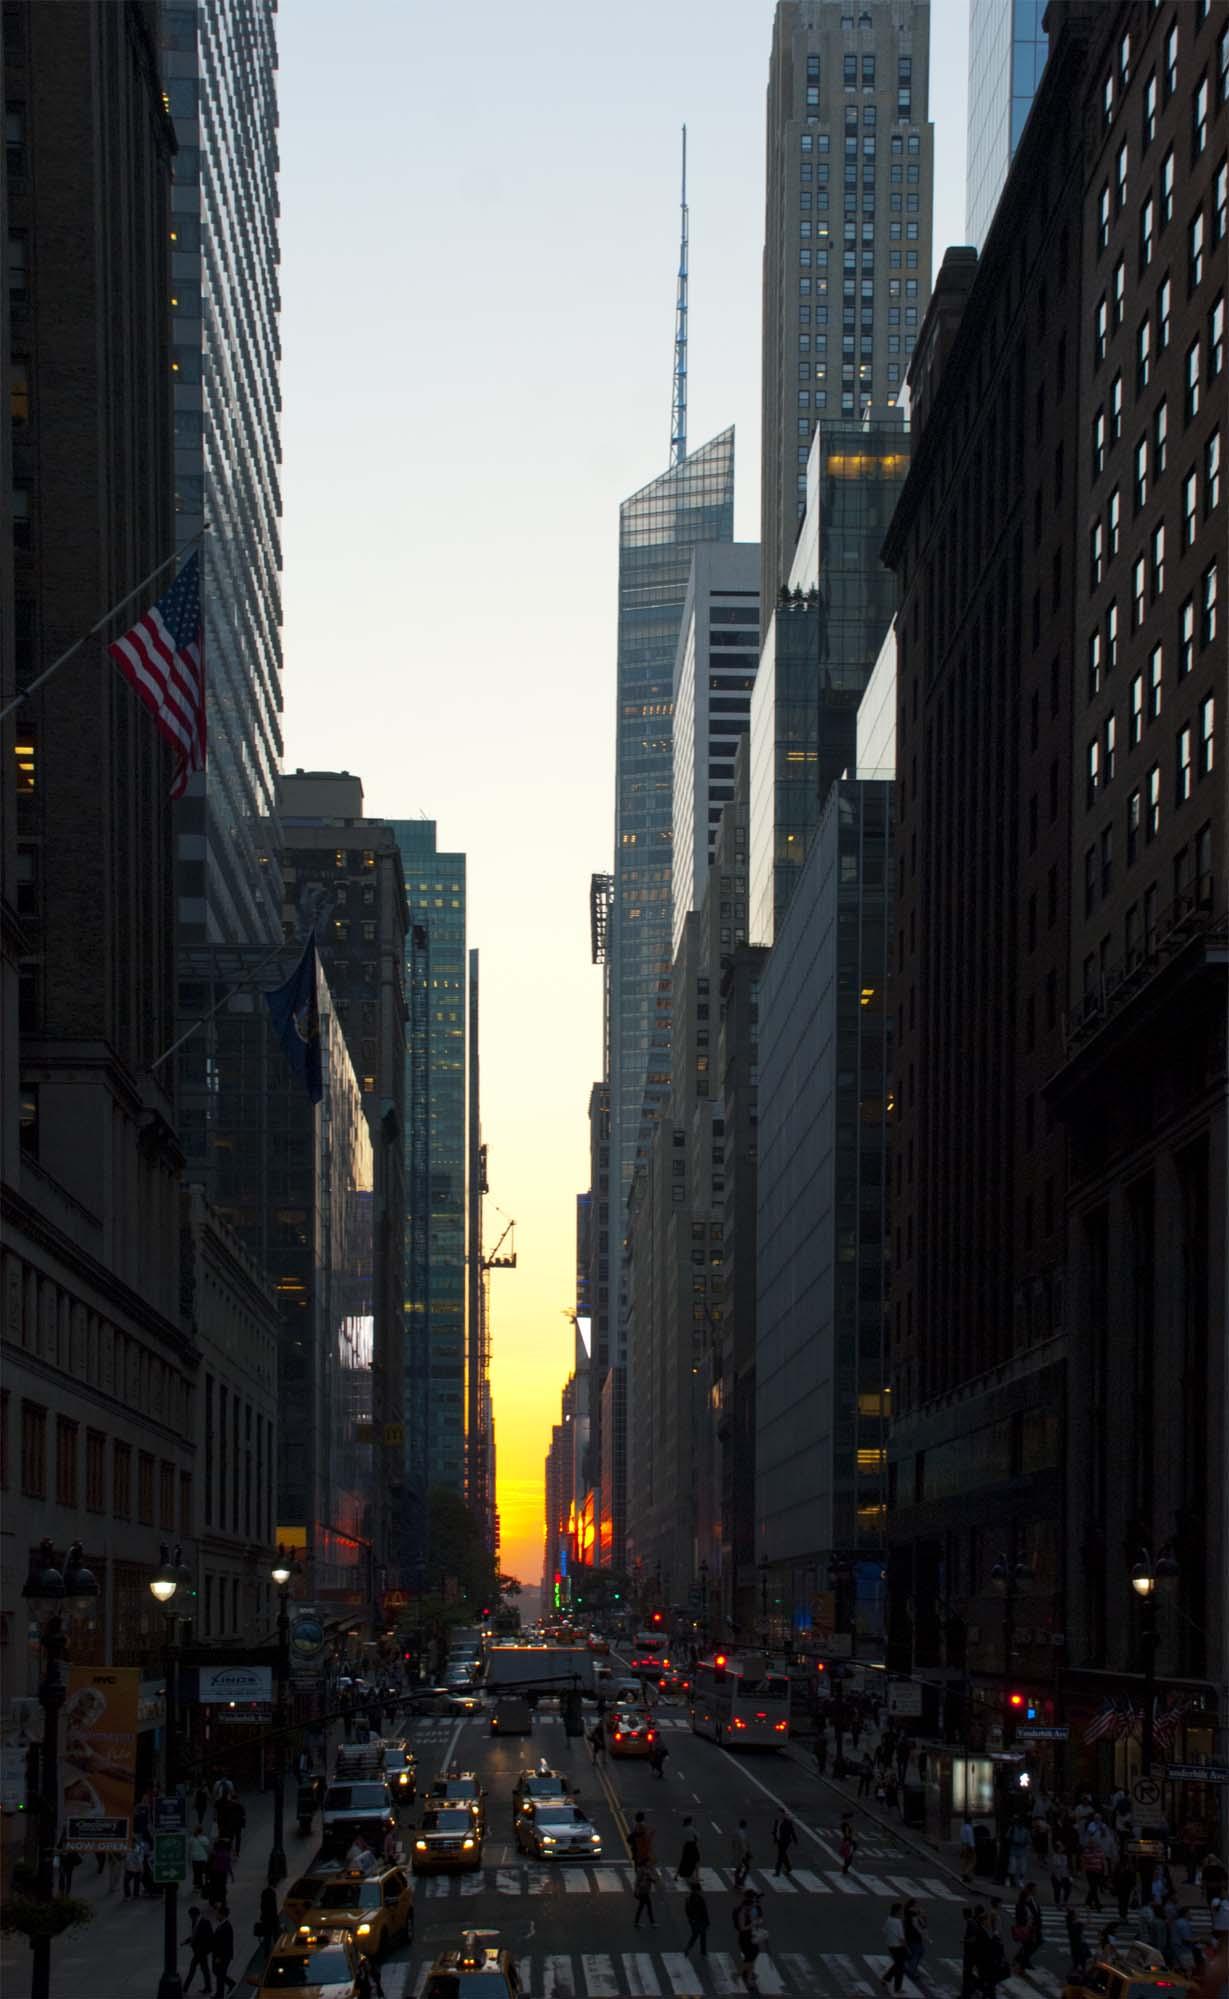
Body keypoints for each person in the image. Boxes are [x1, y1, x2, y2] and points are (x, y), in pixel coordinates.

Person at [734, 1888, 764, 1992]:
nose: (753, 1906)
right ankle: (741, 1974)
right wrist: (753, 1924)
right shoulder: (741, 1912)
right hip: (745, 1938)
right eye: (751, 1905)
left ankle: (748, 1975)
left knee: (752, 1956)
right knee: (750, 1957)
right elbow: (742, 1928)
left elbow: (759, 1915)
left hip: (750, 1937)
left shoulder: (746, 1909)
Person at [182, 1906, 215, 1995]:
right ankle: (208, 1988)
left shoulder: (205, 1922)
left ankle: (185, 1988)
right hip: (197, 1951)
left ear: (194, 1915)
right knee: (204, 1969)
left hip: (201, 1951)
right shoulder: (195, 1922)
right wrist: (186, 1941)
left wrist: (204, 1949)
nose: (190, 1917)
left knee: (194, 1968)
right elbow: (194, 1935)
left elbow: (209, 1937)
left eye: (190, 1915)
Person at [1012, 1883, 1041, 1972]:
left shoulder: (1032, 1899)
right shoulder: (1022, 1903)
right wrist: (1025, 1925)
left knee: (1033, 1944)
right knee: (1028, 1945)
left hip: (1033, 1927)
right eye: (1034, 1889)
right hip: (1027, 1928)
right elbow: (1020, 1916)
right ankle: (1022, 1964)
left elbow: (1036, 1912)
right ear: (1030, 1890)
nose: (1036, 1891)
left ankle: (1020, 1959)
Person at [882, 1902, 909, 1990]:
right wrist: (907, 1947)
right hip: (898, 1946)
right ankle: (897, 1988)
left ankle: (886, 1979)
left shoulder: (888, 1919)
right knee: (900, 1967)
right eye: (901, 1910)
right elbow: (901, 1937)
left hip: (890, 1945)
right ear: (897, 1911)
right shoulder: (898, 1922)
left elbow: (884, 1931)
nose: (902, 1912)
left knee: (898, 1964)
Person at [211, 1906, 236, 1999]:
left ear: (222, 1915)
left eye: (217, 1913)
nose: (216, 1915)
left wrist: (219, 1957)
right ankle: (230, 1983)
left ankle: (219, 1995)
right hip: (220, 1955)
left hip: (223, 1956)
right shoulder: (222, 1925)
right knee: (218, 1973)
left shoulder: (226, 1927)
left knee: (220, 1974)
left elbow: (225, 1944)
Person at [904, 1896, 929, 1984]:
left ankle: (908, 1967)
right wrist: (923, 1932)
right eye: (917, 1904)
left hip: (910, 1935)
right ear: (913, 1904)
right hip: (914, 1935)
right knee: (917, 1953)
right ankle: (911, 1971)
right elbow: (917, 1924)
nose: (919, 1905)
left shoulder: (909, 1911)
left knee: (916, 1952)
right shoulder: (912, 1913)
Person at [683, 1880, 710, 1958]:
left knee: (695, 1935)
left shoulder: (688, 1899)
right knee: (702, 1936)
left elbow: (687, 1911)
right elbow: (704, 1911)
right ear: (698, 1890)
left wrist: (691, 1919)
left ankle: (688, 1947)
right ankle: (703, 1952)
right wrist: (707, 1922)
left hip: (692, 1921)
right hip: (701, 1920)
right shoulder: (700, 1899)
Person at [1065, 1906, 1089, 1978]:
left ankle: (1079, 1975)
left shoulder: (1071, 1923)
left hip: (1077, 1945)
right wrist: (1089, 1913)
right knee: (1079, 1963)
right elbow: (1087, 1923)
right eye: (1077, 1913)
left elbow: (1086, 1923)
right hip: (1078, 1946)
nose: (1078, 1914)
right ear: (1073, 1916)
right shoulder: (1075, 1924)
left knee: (1079, 1963)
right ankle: (1072, 1977)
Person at [771, 1809, 797, 1878]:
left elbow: (792, 1831)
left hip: (785, 1841)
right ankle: (788, 1868)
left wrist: (795, 1840)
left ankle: (777, 1872)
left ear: (783, 1814)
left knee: (780, 1856)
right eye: (778, 1814)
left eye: (780, 1814)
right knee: (783, 1855)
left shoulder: (788, 1822)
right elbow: (775, 1830)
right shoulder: (777, 1821)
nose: (779, 1815)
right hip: (779, 1840)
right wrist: (774, 1838)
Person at [676, 1816, 701, 1886]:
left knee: (683, 1860)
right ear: (690, 1822)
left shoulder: (683, 1829)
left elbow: (681, 1838)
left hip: (686, 1846)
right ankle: (697, 1876)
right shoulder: (692, 1829)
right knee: (696, 1860)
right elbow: (698, 1837)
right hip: (692, 1846)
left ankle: (676, 1875)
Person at [632, 1859, 657, 1927]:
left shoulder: (647, 1870)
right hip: (643, 1891)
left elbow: (653, 1879)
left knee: (642, 1907)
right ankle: (652, 1922)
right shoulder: (642, 1871)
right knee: (647, 1907)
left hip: (645, 1891)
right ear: (645, 1863)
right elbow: (637, 1881)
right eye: (648, 1862)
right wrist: (636, 1890)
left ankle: (637, 1922)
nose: (649, 1863)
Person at [256, 1884, 279, 1955]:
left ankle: (267, 1952)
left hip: (266, 1918)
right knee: (275, 1935)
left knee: (267, 1937)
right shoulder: (272, 1893)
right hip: (272, 1918)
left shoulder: (264, 1892)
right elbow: (274, 1907)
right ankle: (277, 1950)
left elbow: (262, 1905)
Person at [731, 1818, 753, 1888]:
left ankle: (738, 1882)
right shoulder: (743, 1834)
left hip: (737, 1853)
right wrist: (747, 1853)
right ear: (745, 1826)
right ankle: (740, 1882)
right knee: (745, 1868)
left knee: (739, 1868)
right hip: (742, 1854)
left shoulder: (736, 1832)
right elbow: (744, 1846)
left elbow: (733, 1843)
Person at [189, 1824, 210, 1893]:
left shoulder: (192, 1839)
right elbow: (207, 1846)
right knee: (203, 1873)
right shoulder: (204, 1839)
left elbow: (189, 1847)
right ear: (201, 1831)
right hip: (202, 1858)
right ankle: (202, 1885)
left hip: (194, 1859)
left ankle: (196, 1886)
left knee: (196, 1872)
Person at [960, 1813, 978, 1882]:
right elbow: (971, 1839)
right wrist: (973, 1848)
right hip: (969, 1847)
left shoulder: (962, 1827)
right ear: (970, 1821)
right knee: (974, 1861)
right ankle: (966, 1873)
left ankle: (965, 1874)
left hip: (963, 1846)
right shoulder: (969, 1829)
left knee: (966, 1861)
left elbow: (961, 1837)